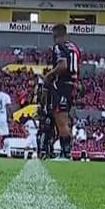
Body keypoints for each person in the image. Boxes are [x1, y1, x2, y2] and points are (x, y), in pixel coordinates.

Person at [44, 24, 81, 160]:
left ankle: (65, 154)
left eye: (54, 37)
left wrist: (49, 74)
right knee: (64, 119)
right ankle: (66, 152)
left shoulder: (59, 47)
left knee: (61, 120)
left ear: (57, 36)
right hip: (73, 85)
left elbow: (63, 65)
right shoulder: (74, 48)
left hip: (63, 86)